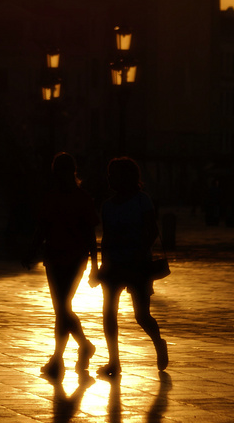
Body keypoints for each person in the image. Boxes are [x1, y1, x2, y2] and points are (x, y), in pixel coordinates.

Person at [95, 156, 168, 377]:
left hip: (138, 266)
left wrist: (138, 254)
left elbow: (152, 231)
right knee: (109, 313)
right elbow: (106, 239)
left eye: (113, 174)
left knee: (141, 315)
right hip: (114, 266)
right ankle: (114, 361)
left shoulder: (142, 201)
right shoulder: (107, 206)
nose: (110, 179)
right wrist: (100, 266)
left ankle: (158, 342)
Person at [30, 152, 99, 379]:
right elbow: (42, 229)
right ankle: (79, 348)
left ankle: (59, 358)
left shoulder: (79, 199)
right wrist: (32, 250)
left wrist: (95, 266)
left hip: (72, 259)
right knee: (62, 308)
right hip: (57, 259)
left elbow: (90, 236)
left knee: (62, 308)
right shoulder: (68, 198)